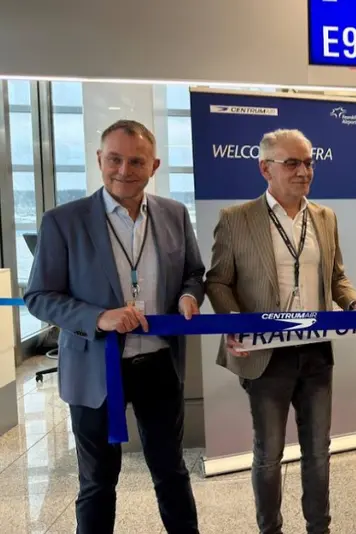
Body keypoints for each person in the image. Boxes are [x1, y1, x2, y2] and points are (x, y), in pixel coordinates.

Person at [23, 120, 204, 534]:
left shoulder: (174, 214)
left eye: (136, 161)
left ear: (154, 165)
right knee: (97, 482)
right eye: (115, 159)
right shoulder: (63, 221)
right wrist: (97, 317)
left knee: (171, 472)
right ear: (99, 159)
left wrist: (188, 296)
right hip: (95, 368)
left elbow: (194, 273)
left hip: (160, 364)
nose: (124, 170)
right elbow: (39, 297)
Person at [205, 128, 356, 534]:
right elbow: (218, 280)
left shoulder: (324, 217)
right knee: (268, 454)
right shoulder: (236, 219)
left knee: (318, 450)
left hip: (315, 351)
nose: (304, 171)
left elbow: (336, 277)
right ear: (265, 168)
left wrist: (353, 303)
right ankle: (270, 529)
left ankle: (319, 527)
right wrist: (233, 320)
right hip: (265, 354)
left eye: (308, 163)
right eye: (292, 163)